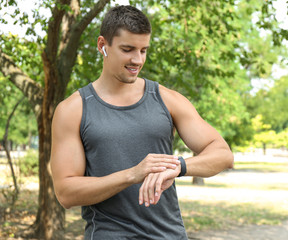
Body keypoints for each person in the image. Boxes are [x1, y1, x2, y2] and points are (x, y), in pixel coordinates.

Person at [50, 5, 233, 240]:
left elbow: (223, 155)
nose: (137, 60)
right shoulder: (72, 110)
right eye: (127, 49)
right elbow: (66, 193)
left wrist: (179, 166)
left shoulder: (167, 99)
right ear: (102, 46)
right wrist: (132, 174)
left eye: (143, 50)